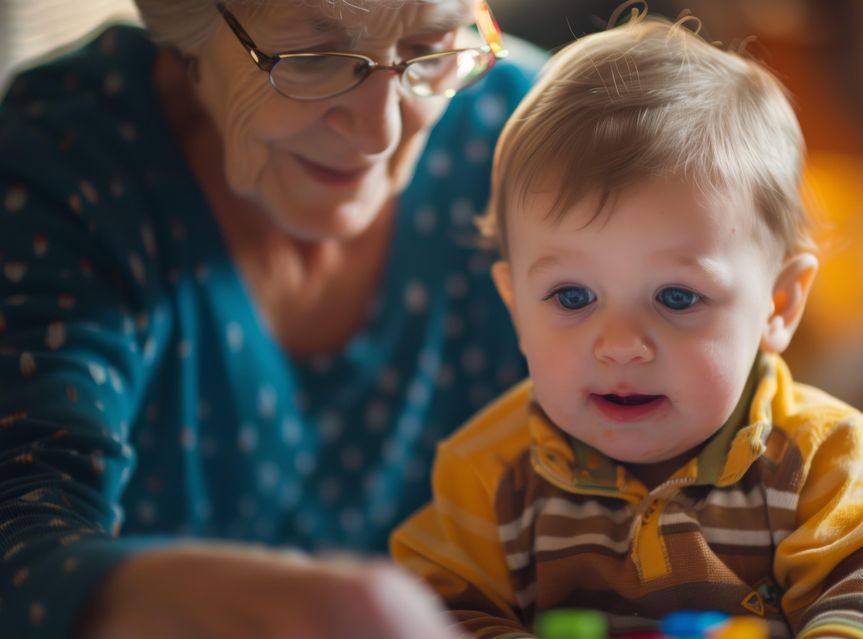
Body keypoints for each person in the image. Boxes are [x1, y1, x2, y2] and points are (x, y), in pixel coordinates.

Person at [390, 10, 863, 638]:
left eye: (677, 297)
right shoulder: (487, 474)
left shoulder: (818, 456)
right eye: (572, 296)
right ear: (516, 307)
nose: (621, 345)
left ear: (780, 304)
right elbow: (432, 615)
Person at [0, 0, 537, 637]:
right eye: (317, 60)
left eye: (428, 49)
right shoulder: (64, 164)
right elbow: (23, 538)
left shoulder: (534, 141)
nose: (381, 132)